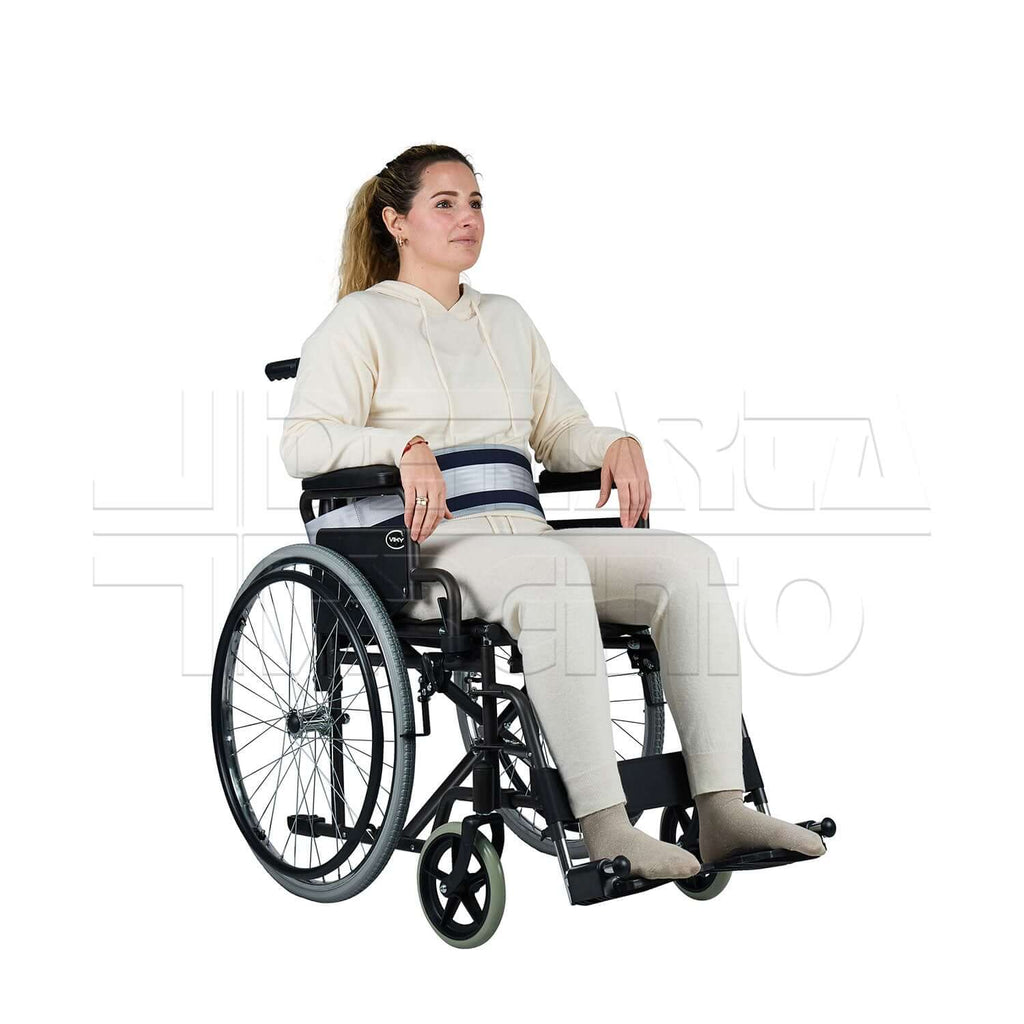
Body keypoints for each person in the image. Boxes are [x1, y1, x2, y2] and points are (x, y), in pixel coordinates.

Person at [279, 144, 826, 879]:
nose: (467, 218)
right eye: (445, 203)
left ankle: (723, 809)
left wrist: (612, 444)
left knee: (686, 564)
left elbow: (558, 430)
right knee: (550, 574)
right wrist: (400, 447)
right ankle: (607, 827)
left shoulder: (506, 320)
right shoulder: (358, 323)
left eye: (475, 203)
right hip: (424, 548)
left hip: (523, 537)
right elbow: (304, 443)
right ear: (396, 222)